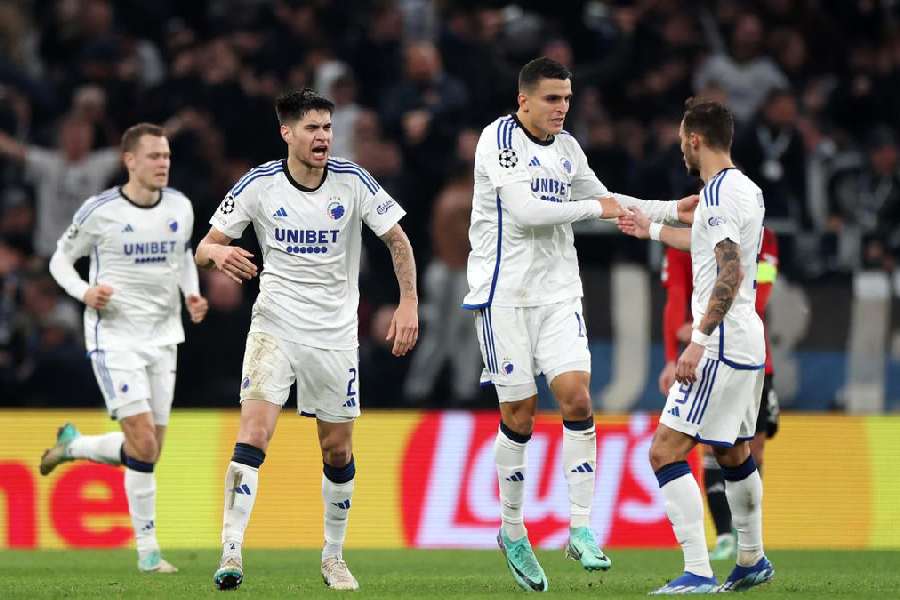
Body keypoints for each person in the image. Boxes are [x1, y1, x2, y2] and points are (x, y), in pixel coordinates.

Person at [463, 56, 697, 592]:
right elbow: (527, 211)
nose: (562, 108)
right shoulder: (498, 140)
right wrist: (594, 210)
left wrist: (668, 210)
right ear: (524, 100)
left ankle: (580, 527)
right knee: (520, 414)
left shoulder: (568, 149)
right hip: (503, 296)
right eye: (552, 98)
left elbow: (605, 197)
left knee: (578, 398)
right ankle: (513, 530)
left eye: (567, 98)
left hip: (558, 293)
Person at [194, 88, 418, 592]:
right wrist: (219, 255)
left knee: (337, 451)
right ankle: (231, 549)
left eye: (327, 128)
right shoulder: (259, 185)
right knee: (254, 433)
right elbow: (204, 248)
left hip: (335, 335)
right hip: (274, 325)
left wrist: (409, 302)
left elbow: (397, 238)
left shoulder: (352, 181)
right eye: (312, 128)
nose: (322, 137)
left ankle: (333, 556)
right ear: (287, 133)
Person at [618, 97, 775, 594]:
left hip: (720, 344)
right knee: (732, 452)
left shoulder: (718, 195)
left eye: (681, 142)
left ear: (694, 139)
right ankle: (751, 559)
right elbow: (710, 244)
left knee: (665, 452)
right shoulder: (745, 189)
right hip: (748, 340)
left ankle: (698, 571)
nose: (680, 151)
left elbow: (729, 272)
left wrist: (697, 342)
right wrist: (652, 229)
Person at [40, 122, 208, 573]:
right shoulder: (101, 211)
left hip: (165, 338)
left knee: (148, 449)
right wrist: (84, 292)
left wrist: (192, 294)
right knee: (143, 442)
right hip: (115, 339)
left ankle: (74, 446)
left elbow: (182, 256)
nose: (163, 163)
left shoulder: (180, 206)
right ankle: (148, 552)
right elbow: (60, 259)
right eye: (154, 156)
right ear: (130, 160)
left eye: (167, 156)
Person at [658, 228, 780, 562]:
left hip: (752, 355)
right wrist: (671, 357)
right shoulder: (685, 237)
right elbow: (675, 298)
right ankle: (725, 535)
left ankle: (747, 539)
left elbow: (759, 295)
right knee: (711, 445)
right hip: (710, 354)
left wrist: (710, 325)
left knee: (750, 447)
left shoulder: (763, 236)